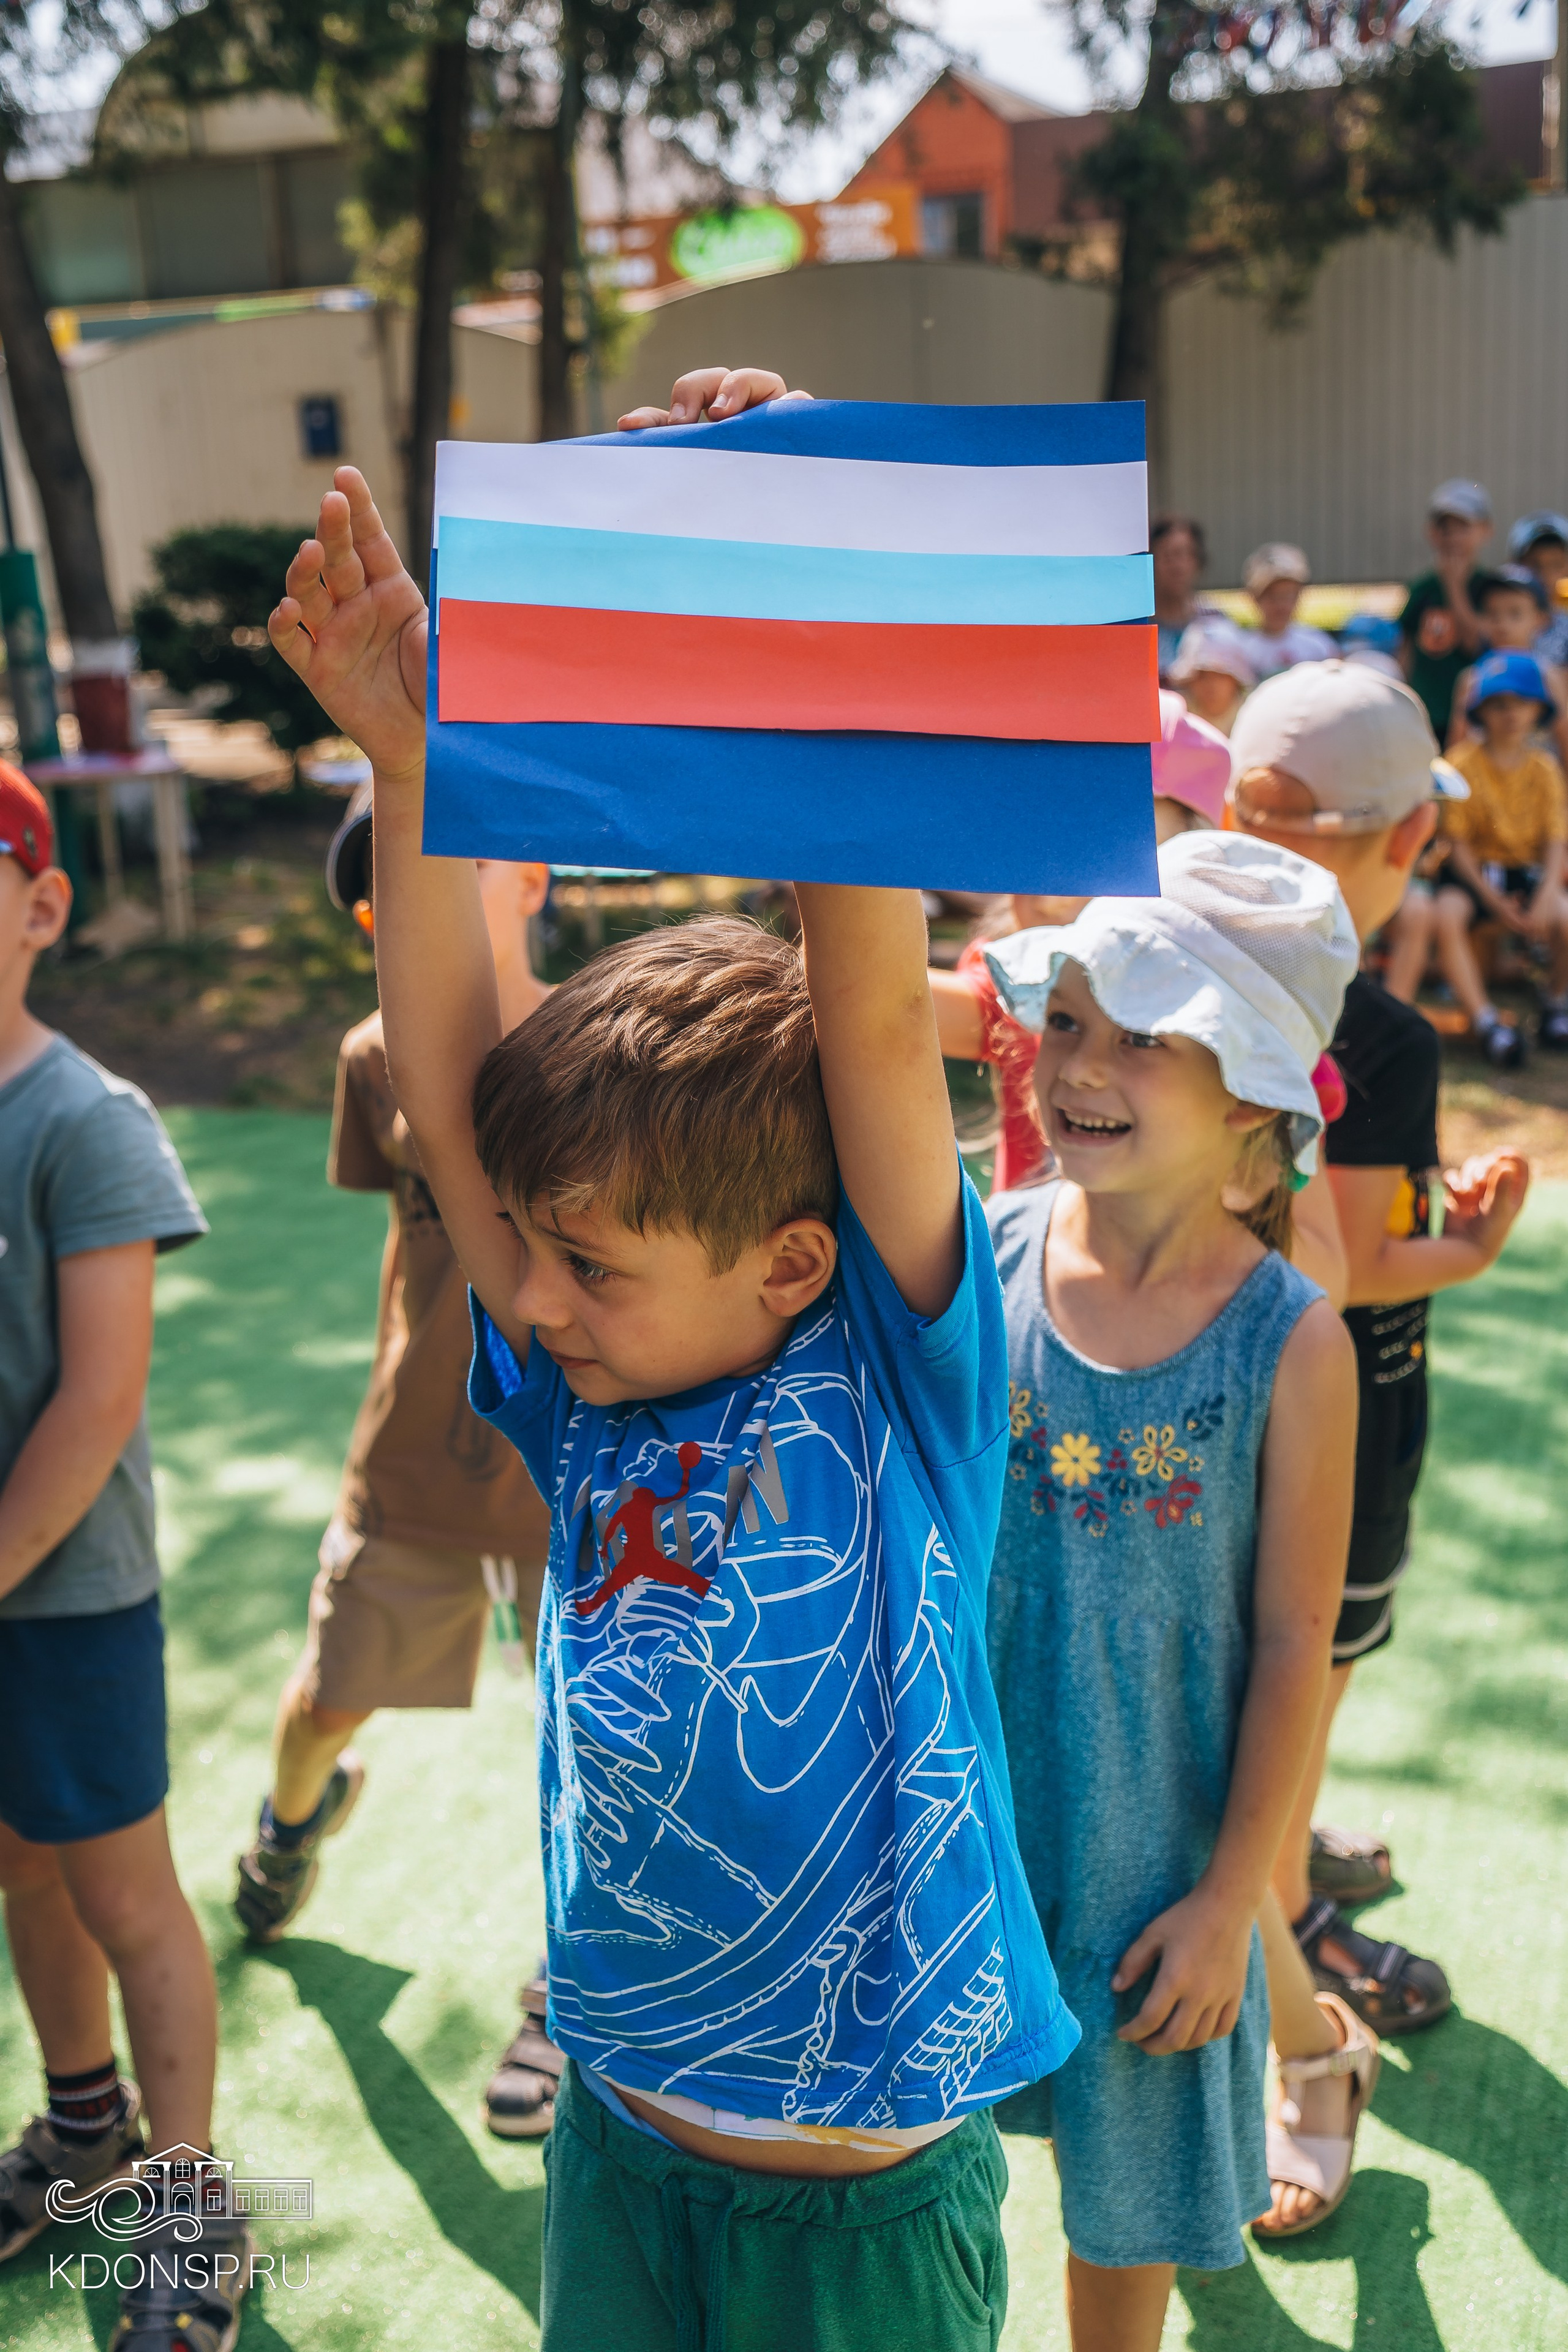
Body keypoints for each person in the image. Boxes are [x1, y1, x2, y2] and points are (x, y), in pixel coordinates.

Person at [263, 371, 1082, 2352]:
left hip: (856, 2210)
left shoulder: (889, 1379)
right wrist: (405, 752)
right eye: (527, 1256)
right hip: (621, 2146)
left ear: (796, 1260)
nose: (528, 1300)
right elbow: (455, 1106)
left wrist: (808, 533)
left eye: (589, 1264)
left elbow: (874, 1018)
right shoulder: (574, 1387)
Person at [979, 831, 1365, 2346]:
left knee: (1119, 2209)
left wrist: (1229, 1901)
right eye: (1065, 1016)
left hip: (1158, 1860)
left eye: (1147, 1034)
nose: (1080, 1060)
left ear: (1252, 1104)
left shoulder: (1292, 1344)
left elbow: (1288, 1641)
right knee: (916, 2158)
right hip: (973, 1821)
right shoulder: (986, 1255)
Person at [232, 791, 564, 2135]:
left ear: (529, 874)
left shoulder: (602, 1051)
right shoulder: (377, 1057)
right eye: (391, 887)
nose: (418, 893)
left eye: (455, 858)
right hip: (416, 1465)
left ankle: (567, 1998)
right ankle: (290, 1824)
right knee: (326, 1696)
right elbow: (408, 1245)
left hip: (574, 1475)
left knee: (595, 1753)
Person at [1224, 662, 1530, 2038]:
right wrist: (1462, 1253)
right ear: (1412, 839)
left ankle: (1278, 1854)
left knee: (1257, 1666)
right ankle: (1284, 1907)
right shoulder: (1375, 1031)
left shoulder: (1181, 963)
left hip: (1192, 1402)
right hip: (1338, 1417)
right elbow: (1341, 1276)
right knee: (1312, 1663)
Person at [0, 767, 252, 2351]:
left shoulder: (83, 1120)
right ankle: (79, 2131)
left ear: (38, 907)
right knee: (21, 1867)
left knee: (124, 1892)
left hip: (69, 1594)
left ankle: (188, 2206)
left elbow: (97, 1402)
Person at [930, 692, 1232, 1192]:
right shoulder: (1012, 983)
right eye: (1035, 848)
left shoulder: (1225, 1009)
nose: (1049, 899)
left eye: (1108, 859)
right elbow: (877, 998)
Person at [1433, 650, 1568, 1060]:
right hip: (1474, 875)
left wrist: (1546, 895)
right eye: (1499, 704)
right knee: (1448, 914)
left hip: (1525, 873)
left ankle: (1556, 1002)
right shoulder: (1460, 764)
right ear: (1481, 711)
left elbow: (1555, 840)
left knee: (1564, 916)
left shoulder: (1544, 767)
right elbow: (1457, 846)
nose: (1511, 714)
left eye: (1521, 703)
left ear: (1539, 710)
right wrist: (1495, 904)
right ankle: (1486, 1019)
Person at [1446, 566, 1568, 771]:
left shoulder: (1549, 675)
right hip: (1485, 794)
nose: (1502, 624)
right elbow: (1457, 747)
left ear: (1541, 619)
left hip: (1537, 792)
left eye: (1515, 613)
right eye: (1493, 614)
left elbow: (1565, 739)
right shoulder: (1472, 678)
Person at [1398, 478, 1493, 741]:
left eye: (1463, 528)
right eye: (1445, 529)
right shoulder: (1422, 589)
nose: (1453, 537)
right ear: (1432, 532)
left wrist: (1454, 587)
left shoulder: (1490, 589)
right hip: (1425, 714)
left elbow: (1476, 644)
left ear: (1485, 530)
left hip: (1472, 718)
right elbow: (1406, 652)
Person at [1241, 543, 1336, 677]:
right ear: (1254, 597)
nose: (1281, 605)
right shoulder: (1242, 650)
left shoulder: (1319, 646)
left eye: (1289, 595)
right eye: (1272, 596)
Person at [1166, 617, 1256, 734]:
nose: (1211, 685)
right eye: (1202, 675)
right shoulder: (1176, 715)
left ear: (1236, 680)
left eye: (1220, 676)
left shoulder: (1251, 713)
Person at [1152, 513, 1216, 674]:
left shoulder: (1216, 622)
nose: (1177, 567)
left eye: (1185, 555)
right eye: (1167, 556)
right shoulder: (1138, 628)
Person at [1507, 508, 1568, 668]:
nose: (1545, 575)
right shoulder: (1497, 622)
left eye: (1556, 564)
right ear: (1515, 565)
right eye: (1535, 565)